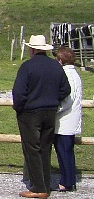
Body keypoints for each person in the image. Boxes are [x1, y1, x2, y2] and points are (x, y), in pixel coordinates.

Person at [12, 35, 70, 198]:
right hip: (50, 111)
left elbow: (19, 92)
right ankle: (45, 184)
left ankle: (38, 187)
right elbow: (65, 89)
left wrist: (19, 108)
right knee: (45, 148)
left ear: (32, 49)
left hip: (30, 112)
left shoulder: (27, 66)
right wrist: (53, 99)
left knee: (32, 149)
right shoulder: (55, 66)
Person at [53, 47, 82, 192]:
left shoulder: (67, 75)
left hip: (65, 120)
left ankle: (67, 181)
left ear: (60, 60)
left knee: (64, 152)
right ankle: (68, 179)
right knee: (66, 151)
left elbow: (67, 99)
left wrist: (54, 110)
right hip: (70, 119)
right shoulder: (74, 73)